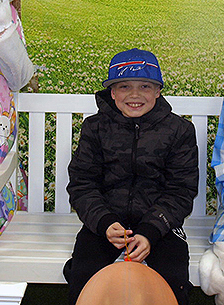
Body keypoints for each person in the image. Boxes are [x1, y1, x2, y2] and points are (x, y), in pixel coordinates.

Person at [64, 48, 199, 305]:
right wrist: (104, 223)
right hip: (105, 223)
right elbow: (82, 184)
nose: (135, 95)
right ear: (112, 92)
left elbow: (181, 191)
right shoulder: (95, 128)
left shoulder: (179, 130)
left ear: (158, 91)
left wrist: (150, 232)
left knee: (173, 279)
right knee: (83, 274)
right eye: (124, 86)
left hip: (160, 226)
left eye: (145, 86)